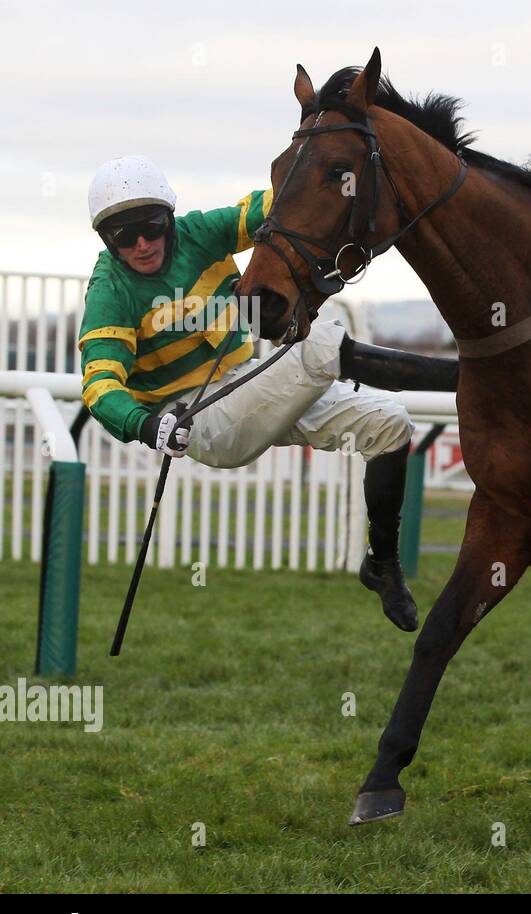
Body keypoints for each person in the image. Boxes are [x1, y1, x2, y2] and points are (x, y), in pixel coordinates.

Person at [80, 154, 458, 632]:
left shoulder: (200, 232)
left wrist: (336, 173)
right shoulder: (109, 292)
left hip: (247, 381)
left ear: (169, 218)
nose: (141, 243)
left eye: (151, 226)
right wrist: (147, 425)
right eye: (122, 235)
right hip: (194, 419)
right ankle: (470, 376)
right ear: (105, 240)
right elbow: (99, 386)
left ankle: (381, 562)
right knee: (320, 344)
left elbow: (278, 205)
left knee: (389, 425)